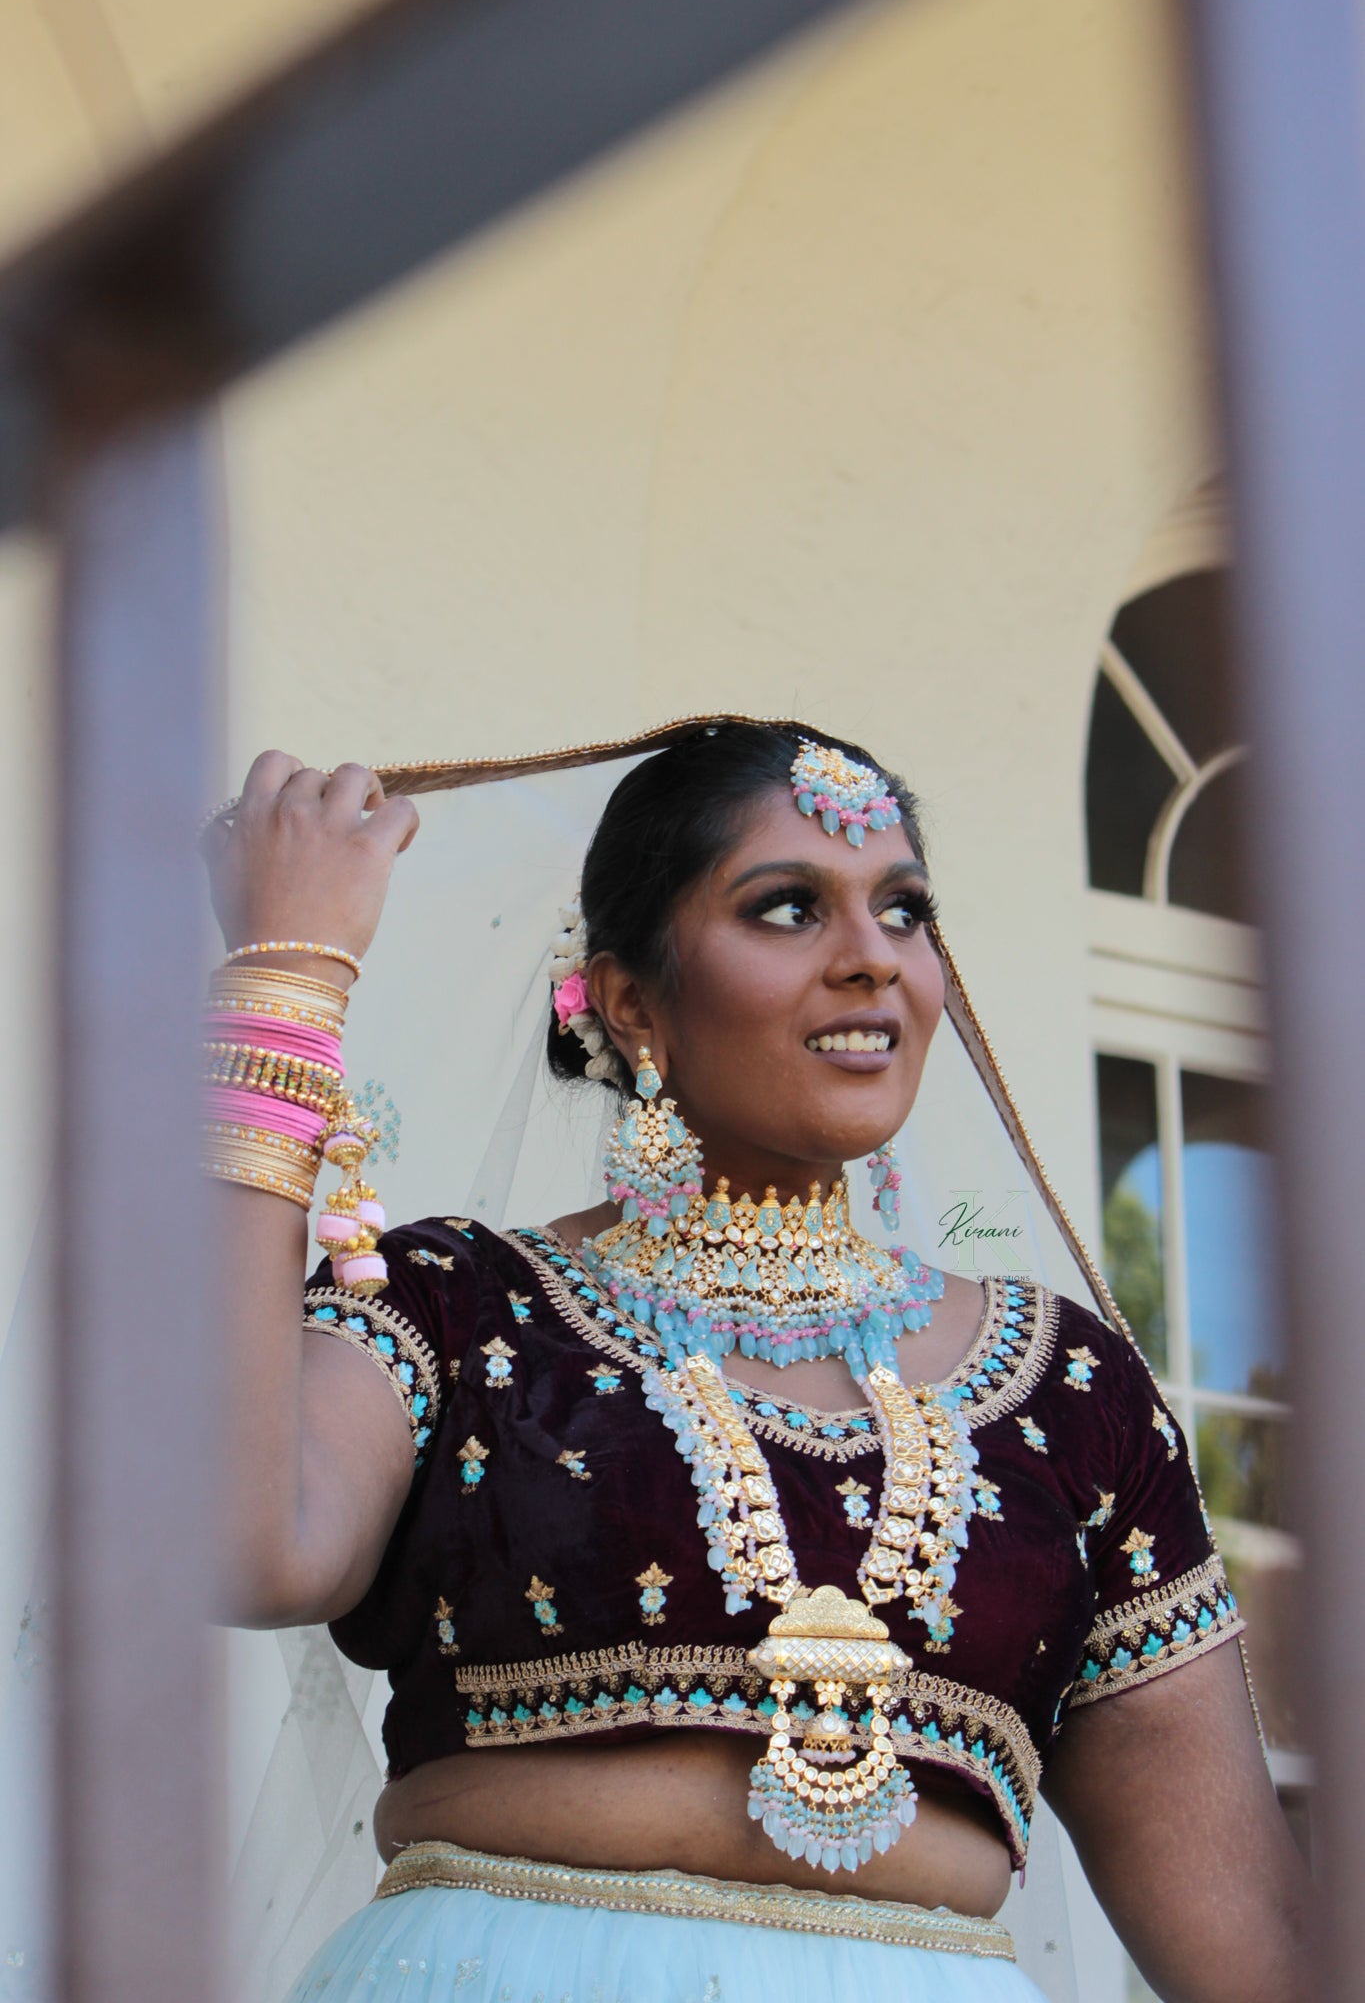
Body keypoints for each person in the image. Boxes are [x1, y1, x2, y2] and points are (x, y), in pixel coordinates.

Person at [201, 720, 1307, 2003]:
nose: (873, 960)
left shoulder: (1072, 1392)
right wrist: (284, 988)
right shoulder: (456, 1303)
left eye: (905, 911)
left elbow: (1257, 1950)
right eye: (788, 907)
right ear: (628, 999)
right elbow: (238, 1534)